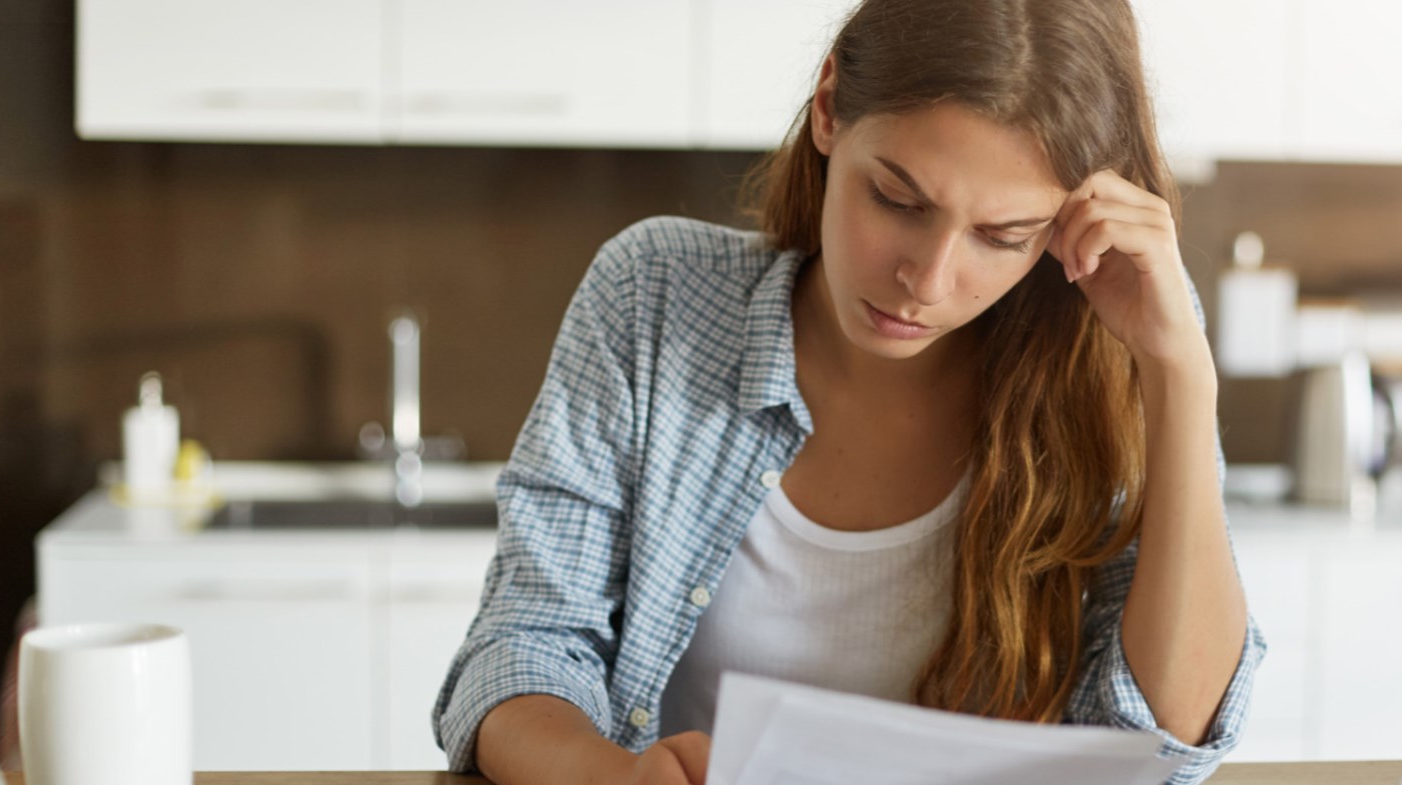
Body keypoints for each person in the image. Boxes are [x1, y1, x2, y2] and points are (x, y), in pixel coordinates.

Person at [432, 1, 1266, 783]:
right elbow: (523, 649)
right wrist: (617, 775)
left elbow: (1168, 742)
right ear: (829, 107)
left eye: (1002, 237)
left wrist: (1180, 373)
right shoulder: (655, 295)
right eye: (898, 200)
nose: (927, 281)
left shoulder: (1112, 358)